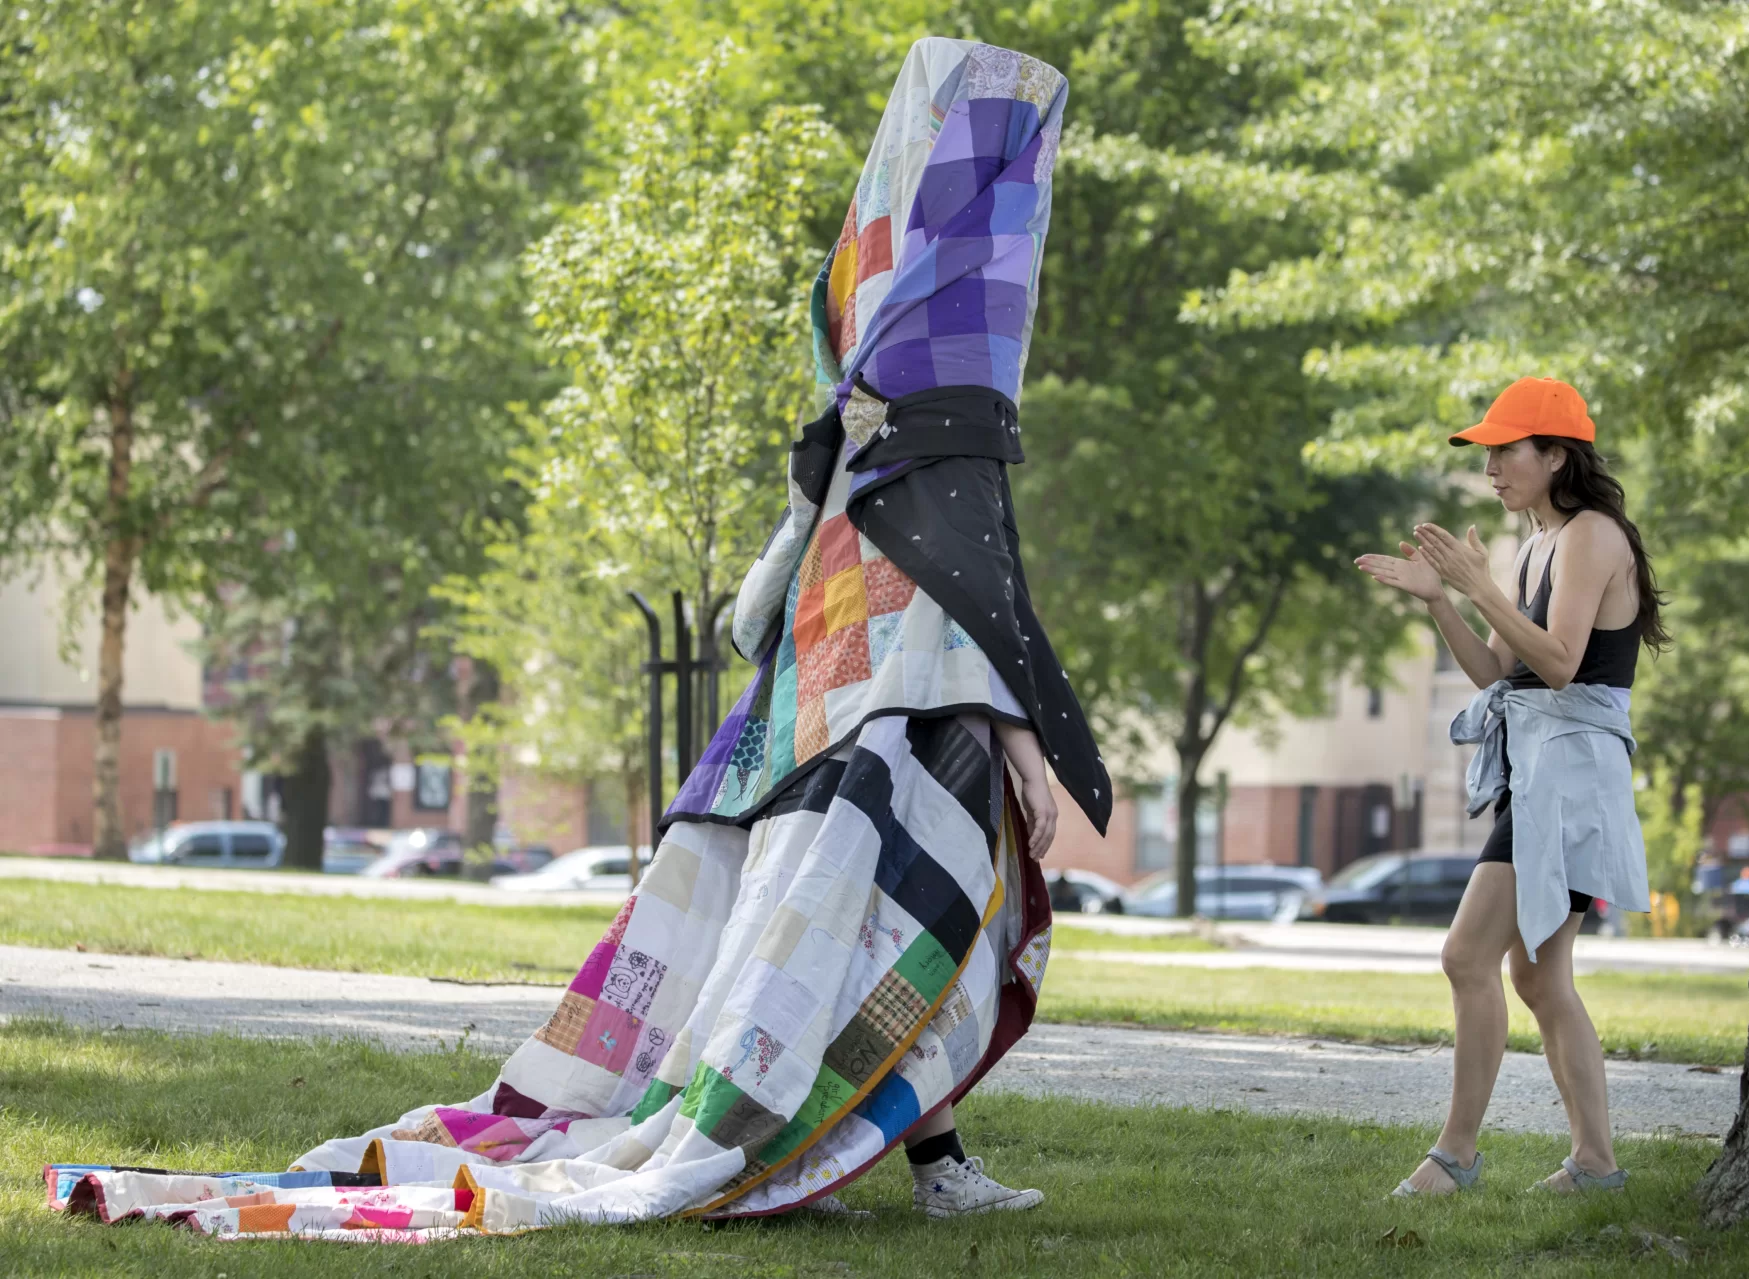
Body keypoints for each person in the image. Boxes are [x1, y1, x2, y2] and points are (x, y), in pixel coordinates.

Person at [42, 39, 1107, 1241]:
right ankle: (856, 1145)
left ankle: (927, 1159)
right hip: (883, 697)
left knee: (869, 916)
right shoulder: (926, 354)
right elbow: (955, 548)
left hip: (847, 686)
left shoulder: (870, 320)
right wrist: (1021, 731)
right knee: (904, 912)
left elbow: (932, 530)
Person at [1355, 376, 1669, 1197]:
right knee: (1535, 976)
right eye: (1486, 453)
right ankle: (1595, 1164)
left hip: (1568, 780)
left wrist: (1477, 584)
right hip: (1537, 775)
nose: (1491, 467)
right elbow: (1499, 671)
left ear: (1555, 454)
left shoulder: (1592, 536)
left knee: (1466, 955)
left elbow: (1562, 665)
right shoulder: (1532, 544)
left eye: (1505, 450)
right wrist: (1439, 601)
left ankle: (1453, 1156)